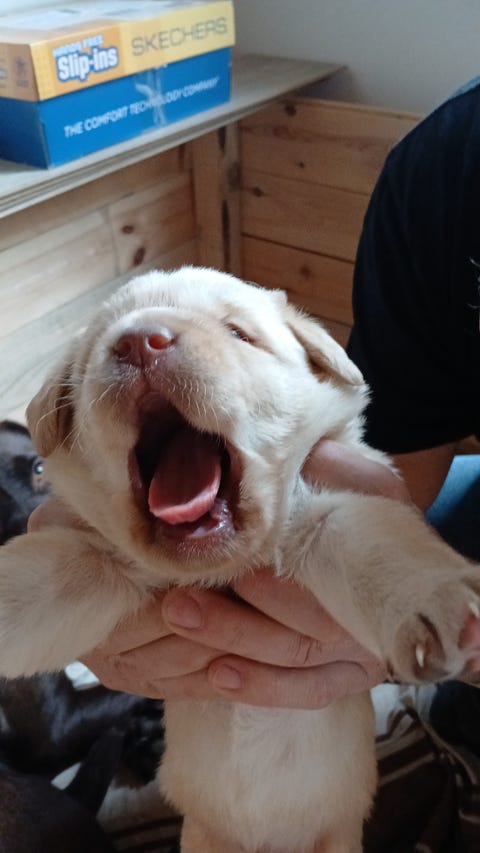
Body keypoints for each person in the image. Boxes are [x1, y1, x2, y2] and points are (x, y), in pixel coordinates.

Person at [62, 78, 480, 708]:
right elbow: (389, 490)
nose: (146, 345)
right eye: (109, 345)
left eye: (237, 332)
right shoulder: (443, 166)